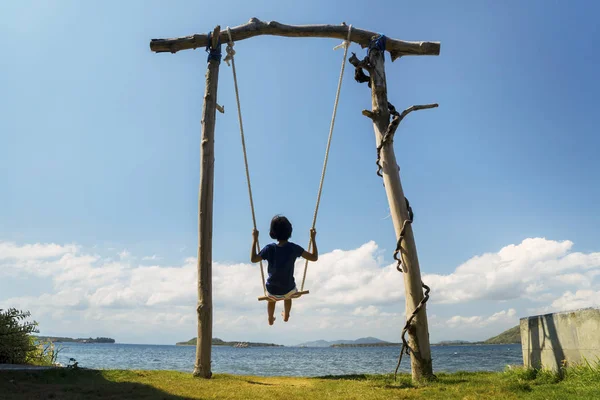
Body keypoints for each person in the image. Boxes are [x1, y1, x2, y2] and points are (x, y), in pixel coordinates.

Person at [251, 215, 318, 325]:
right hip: (288, 289)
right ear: (290, 231)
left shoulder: (269, 248)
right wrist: (313, 239)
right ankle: (286, 315)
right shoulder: (293, 248)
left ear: (273, 232)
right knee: (288, 296)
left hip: (272, 290)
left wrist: (254, 240)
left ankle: (270, 318)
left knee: (271, 300)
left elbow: (254, 259)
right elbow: (314, 257)